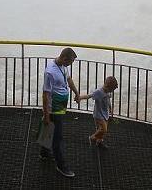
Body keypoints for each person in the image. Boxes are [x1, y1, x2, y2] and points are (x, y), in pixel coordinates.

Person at [41, 47, 79, 178]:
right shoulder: (50, 72)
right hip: (55, 107)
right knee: (58, 137)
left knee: (49, 128)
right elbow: (45, 95)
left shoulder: (63, 66)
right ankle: (61, 165)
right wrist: (46, 115)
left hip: (60, 105)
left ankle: (44, 152)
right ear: (64, 58)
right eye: (70, 62)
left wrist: (76, 92)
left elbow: (68, 79)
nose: (70, 65)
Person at [76, 76, 118, 148]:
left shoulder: (108, 92)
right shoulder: (99, 92)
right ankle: (92, 137)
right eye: (111, 89)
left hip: (105, 114)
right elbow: (89, 96)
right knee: (104, 129)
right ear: (107, 86)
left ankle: (99, 141)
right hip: (98, 115)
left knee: (100, 129)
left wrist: (110, 109)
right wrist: (80, 98)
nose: (111, 91)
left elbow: (108, 101)